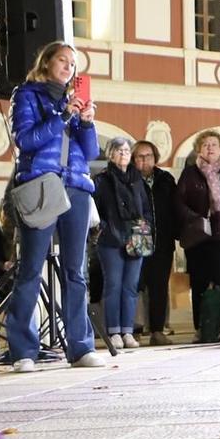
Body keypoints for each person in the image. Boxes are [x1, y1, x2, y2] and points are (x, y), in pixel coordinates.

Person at [5, 41, 101, 370]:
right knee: (30, 269)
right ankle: (22, 351)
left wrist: (86, 121)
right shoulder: (27, 94)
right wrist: (63, 116)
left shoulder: (74, 101)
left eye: (73, 64)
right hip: (42, 184)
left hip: (75, 185)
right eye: (62, 61)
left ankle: (81, 346)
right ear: (46, 63)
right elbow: (26, 140)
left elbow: (89, 152)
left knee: (76, 272)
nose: (68, 68)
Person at [177, 131, 220, 343]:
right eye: (205, 144)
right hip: (199, 236)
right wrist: (195, 219)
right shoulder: (190, 173)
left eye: (214, 144)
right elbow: (178, 202)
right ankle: (201, 327)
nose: (210, 148)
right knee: (199, 282)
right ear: (199, 148)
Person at [92, 135, 154, 351]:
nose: (123, 155)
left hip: (136, 237)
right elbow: (96, 210)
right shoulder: (102, 180)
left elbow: (146, 208)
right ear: (110, 154)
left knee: (131, 287)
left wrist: (145, 227)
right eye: (118, 151)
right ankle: (114, 331)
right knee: (113, 285)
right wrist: (105, 228)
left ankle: (128, 331)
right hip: (111, 240)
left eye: (127, 151)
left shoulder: (138, 180)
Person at [131, 141, 179, 341]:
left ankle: (157, 330)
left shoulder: (165, 178)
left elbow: (175, 208)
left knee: (159, 285)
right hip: (137, 239)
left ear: (155, 157)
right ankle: (134, 329)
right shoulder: (130, 179)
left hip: (163, 239)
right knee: (136, 285)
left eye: (148, 156)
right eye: (140, 157)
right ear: (134, 160)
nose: (145, 160)